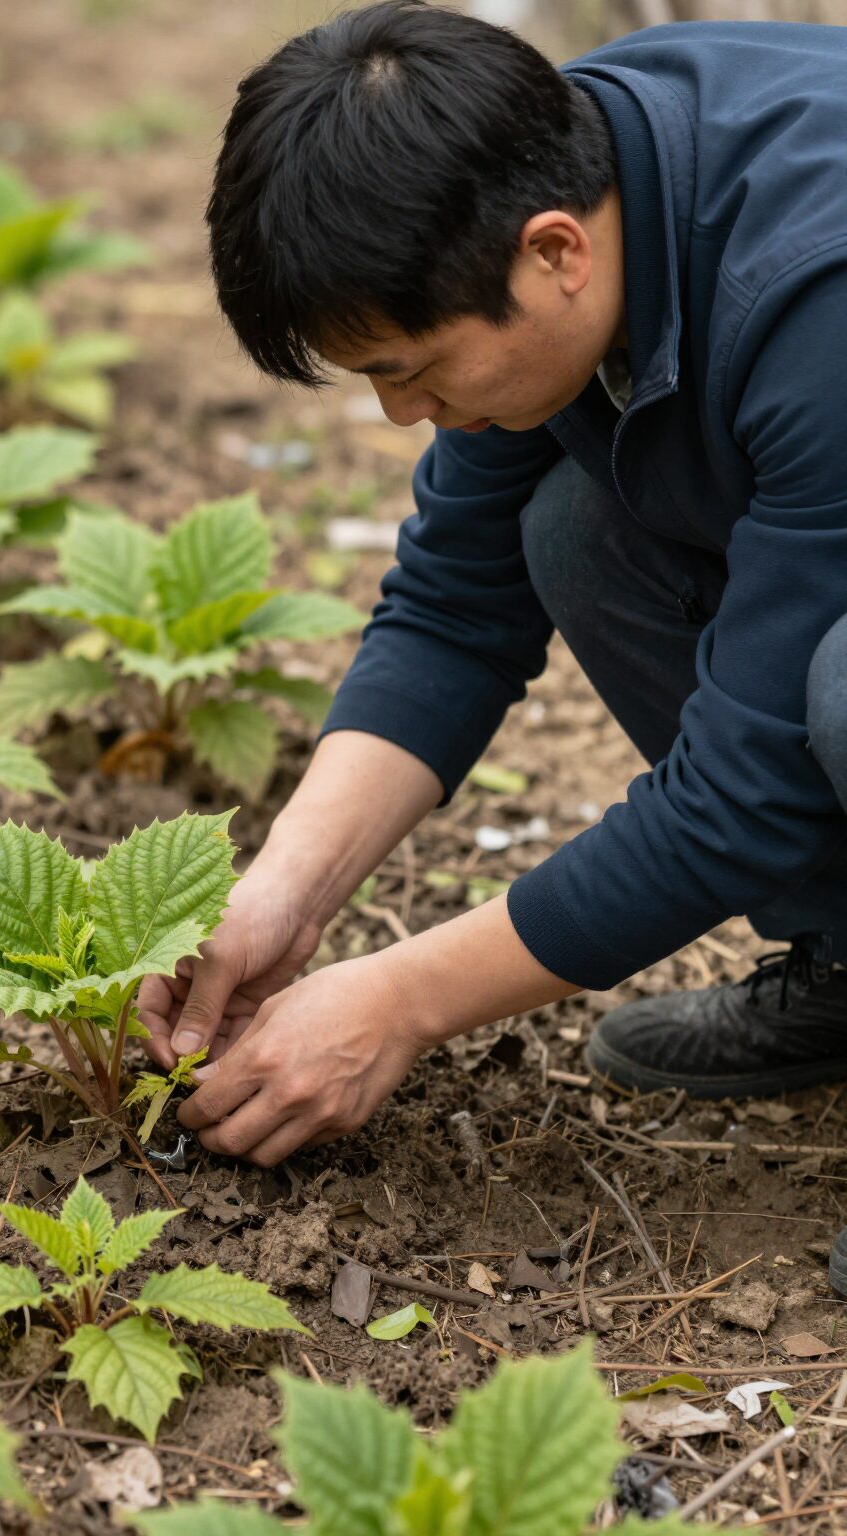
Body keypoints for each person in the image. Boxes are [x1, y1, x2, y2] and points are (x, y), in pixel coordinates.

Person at [138, 0, 847, 1262]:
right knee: (573, 524)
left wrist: (398, 1005)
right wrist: (284, 895)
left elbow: (749, 786)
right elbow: (454, 610)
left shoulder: (817, 288)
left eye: (409, 369)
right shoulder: (541, 163)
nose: (401, 417)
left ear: (555, 254)